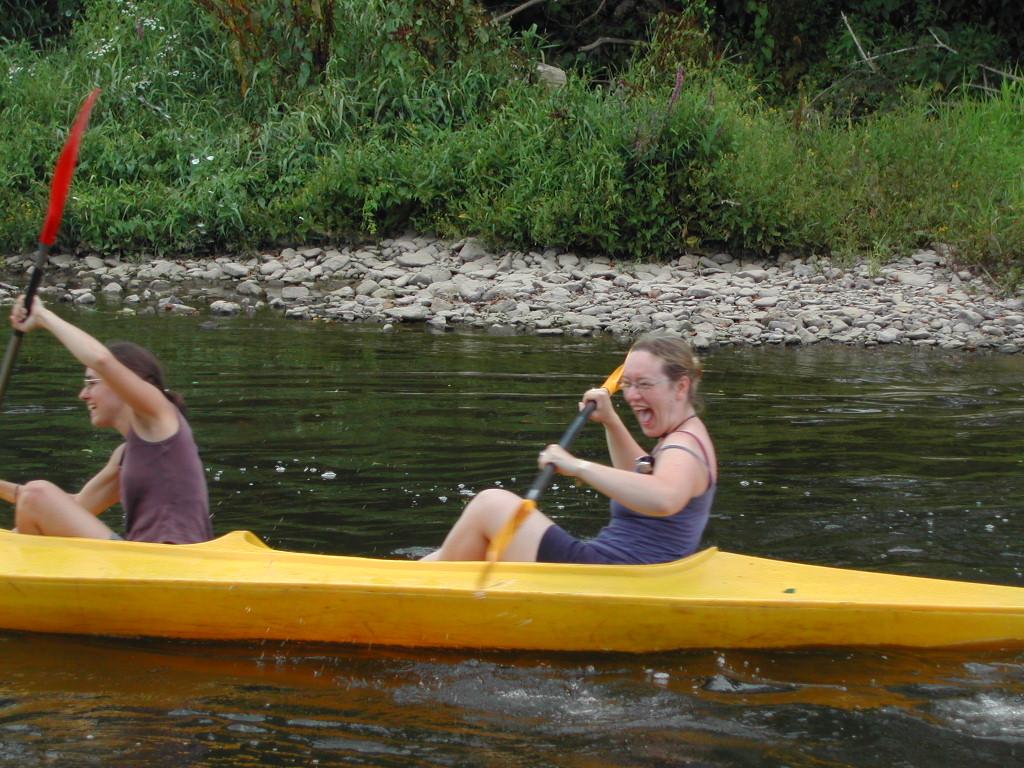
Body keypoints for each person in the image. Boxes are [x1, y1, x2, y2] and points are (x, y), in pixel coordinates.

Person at [424, 334, 716, 564]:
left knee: (491, 504)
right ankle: (413, 580)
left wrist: (578, 466)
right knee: (453, 552)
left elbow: (664, 498)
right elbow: (641, 474)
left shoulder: (682, 447)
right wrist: (611, 422)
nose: (632, 395)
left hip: (615, 573)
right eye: (627, 384)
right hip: (613, 564)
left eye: (644, 384)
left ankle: (422, 595)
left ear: (681, 387)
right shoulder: (682, 434)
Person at [0, 295, 213, 544]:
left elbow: (100, 359)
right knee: (34, 500)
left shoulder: (161, 414)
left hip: (171, 563)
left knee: (37, 493)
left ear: (123, 381)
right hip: (139, 561)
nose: (83, 395)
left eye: (91, 382)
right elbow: (77, 506)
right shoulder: (125, 455)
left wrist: (43, 315)